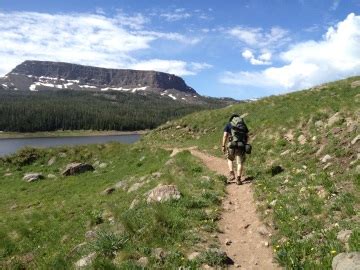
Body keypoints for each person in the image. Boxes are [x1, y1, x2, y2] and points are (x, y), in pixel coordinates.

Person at [222, 114, 249, 185]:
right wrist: (245, 143)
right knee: (240, 163)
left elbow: (225, 136)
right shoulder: (243, 124)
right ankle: (238, 179)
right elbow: (247, 135)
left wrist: (223, 146)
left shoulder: (229, 124)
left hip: (231, 144)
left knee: (230, 159)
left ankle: (232, 174)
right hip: (241, 145)